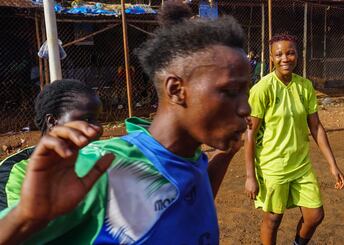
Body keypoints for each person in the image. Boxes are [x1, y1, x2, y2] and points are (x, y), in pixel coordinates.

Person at [0, 2, 251, 244]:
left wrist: (225, 155)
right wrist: (26, 216)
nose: (246, 108)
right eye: (230, 91)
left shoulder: (189, 156)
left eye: (245, 92)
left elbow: (189, 201)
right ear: (176, 89)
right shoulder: (103, 168)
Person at [244, 33, 344, 245]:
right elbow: (250, 133)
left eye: (290, 53)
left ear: (297, 55)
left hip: (300, 164)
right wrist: (250, 176)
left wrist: (332, 164)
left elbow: (316, 126)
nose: (285, 58)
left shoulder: (305, 86)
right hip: (273, 166)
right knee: (273, 219)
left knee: (315, 215)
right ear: (271, 58)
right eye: (279, 54)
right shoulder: (263, 89)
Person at [0, 79, 102, 211]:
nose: (98, 128)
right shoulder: (15, 170)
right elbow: (18, 226)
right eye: (87, 119)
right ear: (52, 121)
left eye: (98, 119)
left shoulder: (98, 155)